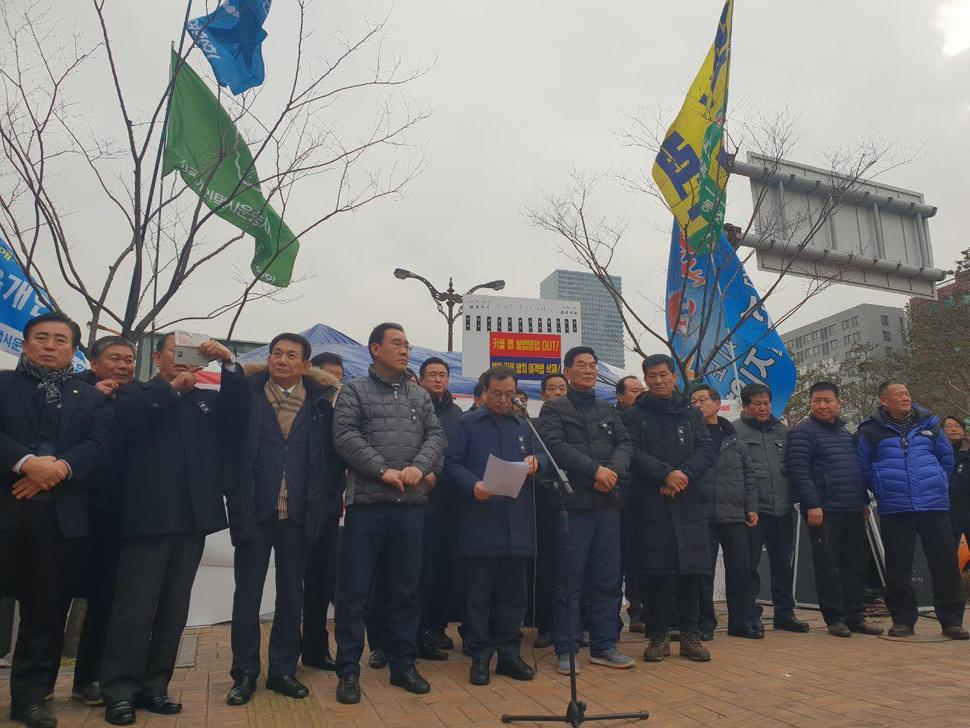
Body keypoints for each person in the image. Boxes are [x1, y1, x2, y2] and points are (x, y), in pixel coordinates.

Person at [99, 333, 247, 726]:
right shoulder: (133, 392)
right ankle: (119, 690)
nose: (182, 362)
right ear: (159, 357)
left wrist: (229, 363)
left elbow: (239, 413)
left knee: (173, 608)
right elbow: (129, 426)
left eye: (189, 355)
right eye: (174, 353)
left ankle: (155, 685)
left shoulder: (205, 398)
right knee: (134, 608)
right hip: (146, 519)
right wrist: (171, 391)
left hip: (191, 519)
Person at [0, 312, 111, 728]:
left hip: (59, 520)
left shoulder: (91, 397)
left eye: (60, 340)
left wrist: (58, 470)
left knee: (44, 615)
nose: (50, 345)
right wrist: (26, 463)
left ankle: (29, 699)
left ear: (73, 350)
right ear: (25, 344)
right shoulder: (3, 384)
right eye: (41, 338)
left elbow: (99, 446)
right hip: (6, 508)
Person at [225, 333, 342, 705]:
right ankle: (244, 673)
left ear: (306, 365)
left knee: (292, 596)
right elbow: (228, 445)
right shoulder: (249, 397)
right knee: (247, 595)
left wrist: (323, 505)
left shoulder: (322, 406)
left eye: (292, 355)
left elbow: (332, 463)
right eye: (276, 353)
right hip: (254, 511)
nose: (282, 360)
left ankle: (282, 671)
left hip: (298, 515)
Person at [331, 323, 445, 704]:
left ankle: (403, 665)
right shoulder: (354, 391)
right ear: (375, 348)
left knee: (406, 591)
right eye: (396, 343)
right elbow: (345, 436)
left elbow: (436, 437)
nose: (404, 350)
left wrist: (418, 468)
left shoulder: (418, 395)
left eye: (407, 344)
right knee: (354, 592)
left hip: (410, 507)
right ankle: (348, 671)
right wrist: (384, 471)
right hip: (368, 506)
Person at [49, 336, 136, 708]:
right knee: (53, 600)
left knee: (104, 602)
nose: (123, 366)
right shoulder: (70, 392)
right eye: (114, 358)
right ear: (93, 361)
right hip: (68, 512)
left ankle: (88, 679)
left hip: (114, 517)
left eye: (129, 360)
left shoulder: (136, 399)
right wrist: (91, 398)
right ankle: (41, 681)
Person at [538, 346, 634, 675]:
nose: (589, 371)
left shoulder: (608, 408)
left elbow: (625, 444)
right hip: (573, 505)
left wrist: (613, 471)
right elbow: (556, 448)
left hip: (608, 505)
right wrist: (595, 472)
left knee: (608, 579)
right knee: (570, 580)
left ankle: (604, 645)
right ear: (567, 371)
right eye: (582, 366)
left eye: (593, 366)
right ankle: (566, 648)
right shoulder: (554, 409)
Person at [445, 365, 539, 686]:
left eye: (509, 394)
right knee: (479, 595)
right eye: (497, 394)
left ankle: (510, 655)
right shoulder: (466, 424)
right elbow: (452, 464)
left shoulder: (524, 426)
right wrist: (473, 485)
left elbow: (539, 458)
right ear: (484, 392)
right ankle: (480, 655)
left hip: (518, 523)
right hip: (480, 520)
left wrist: (535, 463)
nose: (503, 400)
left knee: (515, 596)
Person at [857, 381, 968, 639]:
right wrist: (870, 492)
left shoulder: (930, 423)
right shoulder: (870, 430)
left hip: (934, 504)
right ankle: (903, 620)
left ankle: (952, 621)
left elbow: (946, 458)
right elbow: (862, 466)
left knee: (945, 564)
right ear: (884, 401)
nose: (905, 397)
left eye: (907, 393)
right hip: (895, 507)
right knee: (898, 566)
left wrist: (938, 480)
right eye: (898, 394)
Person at [622, 355, 715, 663]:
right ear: (646, 380)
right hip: (651, 502)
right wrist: (664, 474)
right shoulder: (635, 415)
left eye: (663, 374)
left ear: (675, 377)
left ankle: (690, 635)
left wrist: (683, 475)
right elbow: (632, 452)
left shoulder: (691, 413)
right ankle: (658, 636)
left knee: (691, 572)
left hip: (689, 500)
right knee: (655, 572)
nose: (658, 380)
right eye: (652, 376)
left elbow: (705, 449)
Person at [786, 382, 883, 638]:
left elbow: (855, 471)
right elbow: (799, 471)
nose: (821, 405)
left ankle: (856, 616)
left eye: (827, 400)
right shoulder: (802, 432)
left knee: (856, 565)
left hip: (852, 509)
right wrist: (812, 504)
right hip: (823, 510)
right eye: (816, 400)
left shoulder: (846, 434)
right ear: (810, 403)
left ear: (838, 404)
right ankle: (835, 618)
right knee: (828, 566)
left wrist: (862, 501)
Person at [733, 384, 809, 634]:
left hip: (783, 508)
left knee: (782, 564)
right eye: (757, 403)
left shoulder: (783, 431)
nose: (763, 408)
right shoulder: (734, 431)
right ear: (745, 406)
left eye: (766, 403)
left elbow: (792, 465)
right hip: (754, 510)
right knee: (749, 565)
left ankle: (785, 613)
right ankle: (748, 616)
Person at [690, 385, 760, 641]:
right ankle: (704, 624)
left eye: (703, 399)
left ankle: (741, 621)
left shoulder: (734, 438)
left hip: (734, 515)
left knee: (740, 571)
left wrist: (751, 507)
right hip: (702, 516)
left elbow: (748, 476)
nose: (698, 404)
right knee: (703, 574)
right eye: (694, 401)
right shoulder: (690, 437)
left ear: (717, 404)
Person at [416, 356, 463, 659]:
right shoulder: (414, 406)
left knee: (445, 570)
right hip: (417, 497)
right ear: (421, 379)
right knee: (421, 570)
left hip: (448, 499)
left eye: (442, 375)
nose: (437, 379)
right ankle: (417, 630)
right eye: (432, 374)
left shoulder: (456, 413)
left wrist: (438, 473)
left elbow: (455, 450)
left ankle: (437, 626)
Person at [301, 351, 344, 672]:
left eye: (337, 376)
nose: (332, 382)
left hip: (330, 509)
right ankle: (288, 649)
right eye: (326, 375)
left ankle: (316, 649)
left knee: (321, 582)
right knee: (291, 587)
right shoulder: (300, 406)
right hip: (295, 507)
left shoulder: (344, 412)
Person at [530, 372, 568, 649]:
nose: (557, 392)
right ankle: (545, 625)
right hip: (542, 503)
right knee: (546, 567)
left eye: (561, 387)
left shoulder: (577, 421)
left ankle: (574, 625)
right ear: (542, 395)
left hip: (574, 503)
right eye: (551, 388)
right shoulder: (532, 425)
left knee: (572, 568)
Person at [615, 375, 647, 633]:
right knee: (614, 561)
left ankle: (637, 609)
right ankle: (610, 615)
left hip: (641, 498)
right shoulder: (611, 418)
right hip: (614, 497)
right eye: (634, 391)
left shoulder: (646, 418)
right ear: (619, 396)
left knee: (639, 558)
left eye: (641, 390)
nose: (639, 395)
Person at [943, 416, 970, 547]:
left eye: (957, 426)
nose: (953, 429)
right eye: (948, 426)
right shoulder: (937, 452)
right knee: (946, 555)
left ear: (964, 430)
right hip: (947, 511)